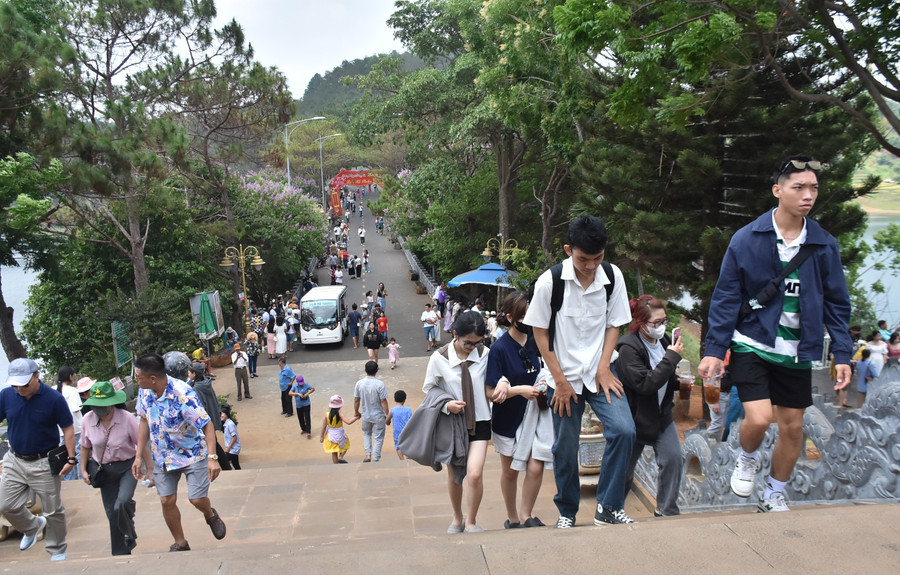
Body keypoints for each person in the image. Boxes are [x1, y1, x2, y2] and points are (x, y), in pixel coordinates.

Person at [698, 155, 852, 514]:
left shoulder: (823, 244)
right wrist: (715, 349)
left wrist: (842, 353)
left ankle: (774, 492)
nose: (807, 195)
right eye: (798, 187)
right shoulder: (746, 239)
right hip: (753, 342)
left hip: (797, 350)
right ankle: (747, 456)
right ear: (777, 190)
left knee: (794, 427)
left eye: (813, 187)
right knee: (759, 418)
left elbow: (836, 303)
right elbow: (725, 297)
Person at [523, 214, 635, 529]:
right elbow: (540, 334)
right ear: (568, 248)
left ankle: (609, 507)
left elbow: (615, 324)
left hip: (601, 372)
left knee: (624, 430)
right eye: (583, 259)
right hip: (563, 377)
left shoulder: (612, 277)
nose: (590, 266)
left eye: (596, 259)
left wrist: (603, 367)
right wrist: (558, 381)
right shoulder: (550, 282)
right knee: (565, 446)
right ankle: (567, 511)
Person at [132, 353, 226, 551]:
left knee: (196, 499)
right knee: (166, 500)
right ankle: (181, 542)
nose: (136, 380)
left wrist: (212, 458)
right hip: (163, 456)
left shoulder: (182, 394)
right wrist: (138, 455)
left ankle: (209, 513)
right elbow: (143, 420)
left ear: (153, 378)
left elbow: (207, 424)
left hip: (192, 454)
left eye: (138, 376)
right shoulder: (144, 391)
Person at [485, 291, 552, 529]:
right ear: (511, 317)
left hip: (534, 415)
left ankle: (526, 514)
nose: (529, 320)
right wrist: (519, 390)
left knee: (536, 464)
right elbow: (490, 392)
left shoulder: (538, 341)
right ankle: (512, 517)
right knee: (511, 470)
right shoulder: (499, 349)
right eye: (523, 316)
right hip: (508, 418)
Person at [0, 357, 75, 561]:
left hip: (44, 462)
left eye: (23, 384)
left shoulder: (53, 398)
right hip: (15, 459)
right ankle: (32, 526)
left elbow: (68, 428)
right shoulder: (6, 395)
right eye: (15, 384)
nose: (19, 388)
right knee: (5, 505)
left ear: (36, 377)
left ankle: (57, 549)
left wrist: (71, 459)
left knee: (53, 511)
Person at [423, 311, 492, 533]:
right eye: (467, 343)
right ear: (455, 334)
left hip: (481, 420)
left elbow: (496, 378)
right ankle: (457, 517)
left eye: (477, 343)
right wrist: (446, 405)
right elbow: (429, 388)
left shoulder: (485, 354)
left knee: (474, 473)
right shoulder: (439, 358)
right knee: (455, 476)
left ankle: (471, 520)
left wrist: (502, 383)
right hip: (454, 424)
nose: (472, 347)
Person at [616, 295, 684, 517]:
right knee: (624, 473)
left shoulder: (664, 343)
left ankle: (666, 510)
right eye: (656, 323)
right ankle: (612, 510)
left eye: (664, 321)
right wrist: (672, 358)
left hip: (660, 414)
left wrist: (678, 381)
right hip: (634, 418)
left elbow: (664, 378)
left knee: (673, 458)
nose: (661, 327)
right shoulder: (628, 348)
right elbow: (646, 383)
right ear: (640, 323)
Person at [79, 380, 143, 555]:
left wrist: (147, 467)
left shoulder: (127, 418)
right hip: (103, 470)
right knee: (112, 514)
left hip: (127, 467)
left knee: (121, 503)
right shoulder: (87, 420)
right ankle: (121, 551)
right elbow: (85, 446)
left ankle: (129, 530)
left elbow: (141, 443)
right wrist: (83, 470)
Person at [187, 363, 231, 470]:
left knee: (212, 444)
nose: (188, 374)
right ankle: (226, 466)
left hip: (204, 420)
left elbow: (199, 406)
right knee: (213, 442)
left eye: (189, 372)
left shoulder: (197, 388)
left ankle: (224, 466)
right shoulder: (206, 383)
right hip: (211, 417)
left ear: (194, 374)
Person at [354, 361, 390, 463]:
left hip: (366, 415)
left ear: (365, 370)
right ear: (377, 371)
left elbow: (356, 400)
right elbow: (383, 401)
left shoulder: (359, 383)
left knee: (366, 434)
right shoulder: (380, 384)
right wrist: (388, 415)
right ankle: (375, 458)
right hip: (378, 415)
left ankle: (368, 455)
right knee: (378, 437)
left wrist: (356, 412)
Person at [56, 366, 83, 481]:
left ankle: (69, 479)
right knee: (78, 454)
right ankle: (82, 477)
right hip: (75, 428)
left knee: (66, 455)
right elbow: (76, 409)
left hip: (60, 430)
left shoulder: (53, 390)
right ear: (70, 376)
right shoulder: (72, 391)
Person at [320, 395, 360, 464]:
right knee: (346, 445)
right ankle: (341, 457)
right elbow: (348, 422)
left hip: (330, 435)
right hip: (340, 433)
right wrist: (356, 417)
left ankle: (336, 465)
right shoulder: (340, 414)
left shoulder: (326, 414)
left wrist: (321, 436)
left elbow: (323, 427)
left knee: (334, 451)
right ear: (340, 406)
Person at [390, 390, 412, 460]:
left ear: (394, 399)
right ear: (405, 400)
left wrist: (387, 422)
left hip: (397, 432)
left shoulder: (392, 410)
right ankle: (408, 457)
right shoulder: (408, 409)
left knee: (398, 446)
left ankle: (402, 460)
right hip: (407, 431)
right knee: (407, 445)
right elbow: (411, 421)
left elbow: (387, 420)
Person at [220, 406, 241, 470]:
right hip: (232, 449)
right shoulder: (226, 424)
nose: (221, 416)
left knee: (223, 461)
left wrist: (228, 449)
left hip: (233, 449)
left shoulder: (230, 424)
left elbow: (234, 437)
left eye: (222, 414)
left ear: (226, 414)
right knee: (236, 465)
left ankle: (228, 472)